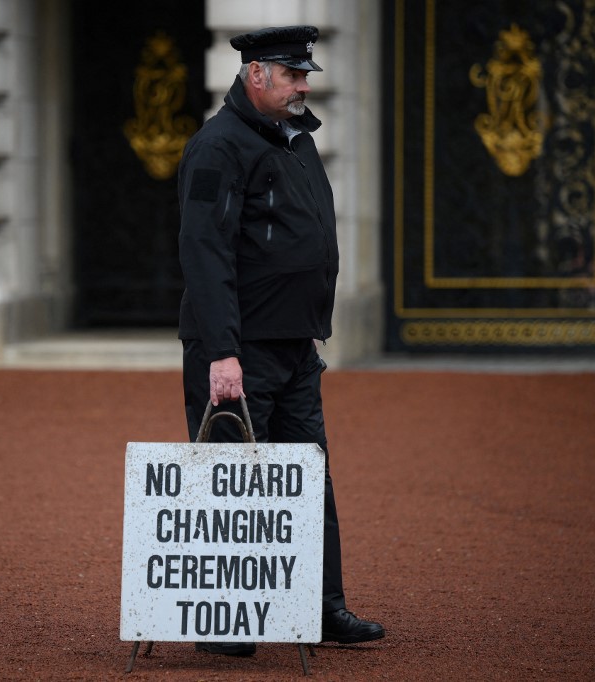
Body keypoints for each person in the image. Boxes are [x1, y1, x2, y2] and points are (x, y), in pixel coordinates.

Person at [177, 25, 385, 657]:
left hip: (294, 346)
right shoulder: (217, 148)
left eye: (306, 75)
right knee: (230, 485)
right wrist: (223, 353)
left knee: (305, 481)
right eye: (293, 75)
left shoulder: (293, 138)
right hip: (240, 351)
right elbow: (205, 253)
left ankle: (321, 608)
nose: (303, 85)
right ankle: (224, 622)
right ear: (256, 75)